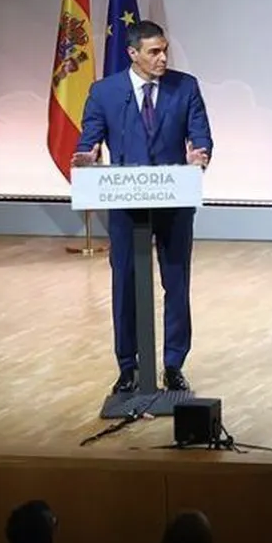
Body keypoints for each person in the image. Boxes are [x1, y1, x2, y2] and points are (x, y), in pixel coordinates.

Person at [73, 20, 213, 395]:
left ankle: (174, 365)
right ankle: (128, 366)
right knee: (125, 283)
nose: (162, 58)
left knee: (176, 281)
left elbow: (200, 135)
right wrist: (86, 155)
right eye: (154, 52)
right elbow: (90, 139)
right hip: (124, 203)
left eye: (165, 50)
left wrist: (199, 155)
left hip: (173, 202)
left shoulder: (186, 87)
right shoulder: (104, 92)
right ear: (133, 53)